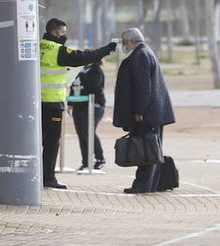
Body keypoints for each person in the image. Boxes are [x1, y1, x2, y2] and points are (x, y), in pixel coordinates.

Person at [39, 17, 117, 189]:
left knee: (37, 141)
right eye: (63, 32)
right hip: (52, 103)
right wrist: (107, 49)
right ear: (54, 32)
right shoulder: (58, 50)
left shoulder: (37, 46)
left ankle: (35, 176)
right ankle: (48, 178)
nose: (65, 36)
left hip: (36, 104)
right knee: (52, 143)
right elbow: (84, 57)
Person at [112, 27, 175, 194]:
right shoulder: (146, 52)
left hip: (148, 113)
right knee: (151, 148)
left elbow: (143, 87)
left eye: (124, 42)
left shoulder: (140, 56)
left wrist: (139, 111)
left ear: (132, 41)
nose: (123, 46)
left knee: (147, 149)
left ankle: (143, 185)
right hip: (154, 112)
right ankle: (151, 184)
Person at [68, 58, 107, 172]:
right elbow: (74, 86)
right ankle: (85, 162)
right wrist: (70, 103)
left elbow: (93, 85)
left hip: (93, 106)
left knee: (88, 131)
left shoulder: (96, 70)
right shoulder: (81, 71)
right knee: (81, 133)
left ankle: (100, 159)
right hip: (79, 106)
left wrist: (81, 74)